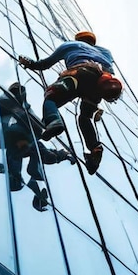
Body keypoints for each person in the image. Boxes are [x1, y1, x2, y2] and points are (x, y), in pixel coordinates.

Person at [18, 31, 123, 175]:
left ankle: (54, 121)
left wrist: (29, 63)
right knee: (85, 118)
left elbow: (45, 64)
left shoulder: (70, 45)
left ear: (78, 39)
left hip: (78, 74)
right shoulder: (105, 52)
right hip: (97, 85)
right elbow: (110, 70)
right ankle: (94, 148)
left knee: (51, 98)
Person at [0, 82, 73, 212]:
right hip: (17, 140)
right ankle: (25, 181)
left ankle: (32, 185)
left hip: (24, 140)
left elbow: (46, 153)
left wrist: (63, 155)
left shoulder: (24, 110)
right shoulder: (8, 106)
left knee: (39, 157)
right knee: (18, 173)